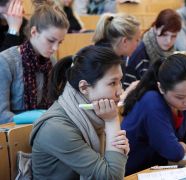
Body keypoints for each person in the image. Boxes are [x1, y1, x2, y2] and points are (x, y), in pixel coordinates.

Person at [30, 46, 129, 179]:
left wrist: (117, 151)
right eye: (112, 83)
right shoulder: (57, 128)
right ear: (84, 87)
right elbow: (111, 177)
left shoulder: (91, 115)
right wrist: (112, 122)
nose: (120, 91)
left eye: (120, 81)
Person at [121, 54, 186, 175]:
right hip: (136, 173)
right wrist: (184, 146)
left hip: (162, 170)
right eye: (180, 97)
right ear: (161, 88)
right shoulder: (151, 101)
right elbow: (173, 152)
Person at [0, 2, 69, 124]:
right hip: (15, 134)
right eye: (51, 40)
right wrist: (34, 118)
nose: (55, 48)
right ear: (33, 32)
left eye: (60, 42)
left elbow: (55, 102)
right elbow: (1, 116)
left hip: (45, 127)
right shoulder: (6, 61)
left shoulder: (51, 61)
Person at [123, 9, 182, 89]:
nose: (168, 41)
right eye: (164, 35)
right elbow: (127, 89)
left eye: (173, 36)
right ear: (155, 29)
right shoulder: (138, 52)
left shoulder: (171, 54)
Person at [92, 13, 140, 100]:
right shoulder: (104, 61)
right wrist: (130, 90)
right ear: (125, 41)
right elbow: (108, 100)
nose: (138, 44)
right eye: (137, 40)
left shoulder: (116, 56)